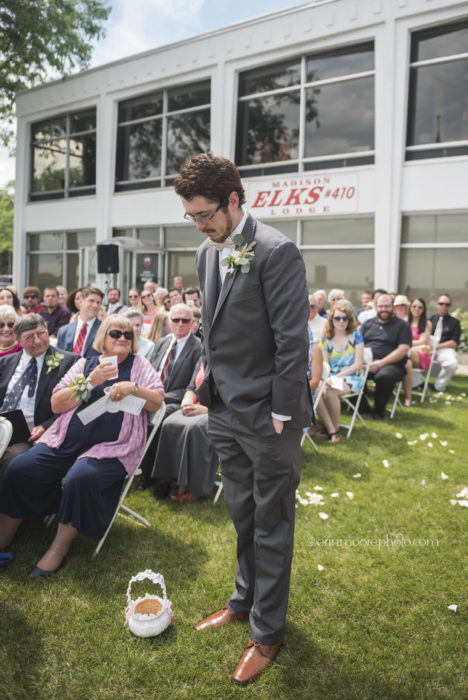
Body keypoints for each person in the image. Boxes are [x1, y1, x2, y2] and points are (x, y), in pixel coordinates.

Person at [174, 153, 311, 685]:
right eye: (191, 216)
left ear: (234, 200)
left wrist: (280, 412)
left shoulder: (278, 250)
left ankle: (268, 632)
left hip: (270, 417)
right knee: (241, 514)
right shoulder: (207, 253)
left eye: (205, 214)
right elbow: (211, 328)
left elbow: (291, 339)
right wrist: (204, 385)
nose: (200, 224)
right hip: (224, 411)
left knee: (272, 522)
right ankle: (242, 598)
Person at [0, 315, 164, 575]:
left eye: (128, 334)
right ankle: (4, 539)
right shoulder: (85, 364)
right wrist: (90, 381)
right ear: (103, 337)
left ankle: (58, 550)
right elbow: (57, 404)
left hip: (112, 447)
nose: (122, 338)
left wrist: (134, 388)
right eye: (115, 333)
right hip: (65, 440)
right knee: (21, 467)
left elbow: (156, 402)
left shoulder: (139, 364)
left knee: (80, 477)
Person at [0, 314, 78, 484]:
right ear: (18, 340)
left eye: (41, 333)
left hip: (34, 433)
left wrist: (46, 425)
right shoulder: (5, 364)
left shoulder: (70, 362)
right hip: (3, 425)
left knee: (13, 459)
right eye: (29, 337)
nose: (37, 341)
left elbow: (74, 405)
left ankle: (7, 509)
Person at [137, 303, 202, 491]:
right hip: (149, 393)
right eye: (176, 320)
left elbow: (191, 386)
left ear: (192, 323)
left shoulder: (198, 348)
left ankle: (150, 474)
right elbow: (148, 371)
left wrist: (158, 397)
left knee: (158, 420)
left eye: (185, 320)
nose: (180, 324)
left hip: (172, 399)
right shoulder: (162, 343)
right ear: (169, 321)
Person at [151, 360, 218, 502]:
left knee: (193, 428)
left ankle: (195, 488)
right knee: (169, 423)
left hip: (218, 411)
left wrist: (207, 410)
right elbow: (192, 387)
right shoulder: (203, 357)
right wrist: (187, 402)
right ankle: (171, 481)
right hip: (196, 405)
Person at [317, 305, 364, 443]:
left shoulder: (356, 335)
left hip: (352, 376)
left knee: (330, 391)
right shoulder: (325, 338)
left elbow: (357, 364)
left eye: (345, 318)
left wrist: (335, 377)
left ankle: (335, 430)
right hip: (330, 376)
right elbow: (325, 365)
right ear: (331, 319)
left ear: (349, 320)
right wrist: (327, 379)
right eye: (337, 318)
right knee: (316, 389)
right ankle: (330, 428)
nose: (341, 321)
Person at [361, 294, 412, 419]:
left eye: (387, 306)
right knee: (350, 372)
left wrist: (381, 363)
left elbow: (403, 349)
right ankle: (362, 407)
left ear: (393, 307)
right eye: (381, 306)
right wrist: (360, 363)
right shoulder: (367, 324)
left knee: (384, 376)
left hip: (392, 365)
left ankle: (379, 411)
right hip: (367, 362)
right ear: (376, 307)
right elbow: (357, 344)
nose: (384, 309)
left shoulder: (403, 326)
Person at [56, 286, 103, 359]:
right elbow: (58, 359)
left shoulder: (104, 329)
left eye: (98, 302)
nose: (95, 305)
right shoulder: (63, 331)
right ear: (81, 301)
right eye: (91, 301)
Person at [403, 298, 433, 406]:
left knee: (405, 352)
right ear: (410, 307)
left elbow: (422, 341)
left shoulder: (427, 323)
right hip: (406, 355)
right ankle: (407, 398)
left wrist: (405, 344)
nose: (416, 309)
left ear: (423, 309)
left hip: (420, 355)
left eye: (420, 307)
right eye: (414, 306)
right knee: (407, 364)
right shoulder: (405, 322)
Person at [429, 293, 461, 392]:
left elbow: (454, 342)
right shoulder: (429, 320)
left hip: (444, 350)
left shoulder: (455, 322)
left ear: (450, 306)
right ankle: (417, 383)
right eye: (441, 303)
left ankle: (439, 386)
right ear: (437, 304)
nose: (444, 306)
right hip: (428, 348)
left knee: (452, 364)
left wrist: (437, 346)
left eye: (447, 304)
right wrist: (430, 348)